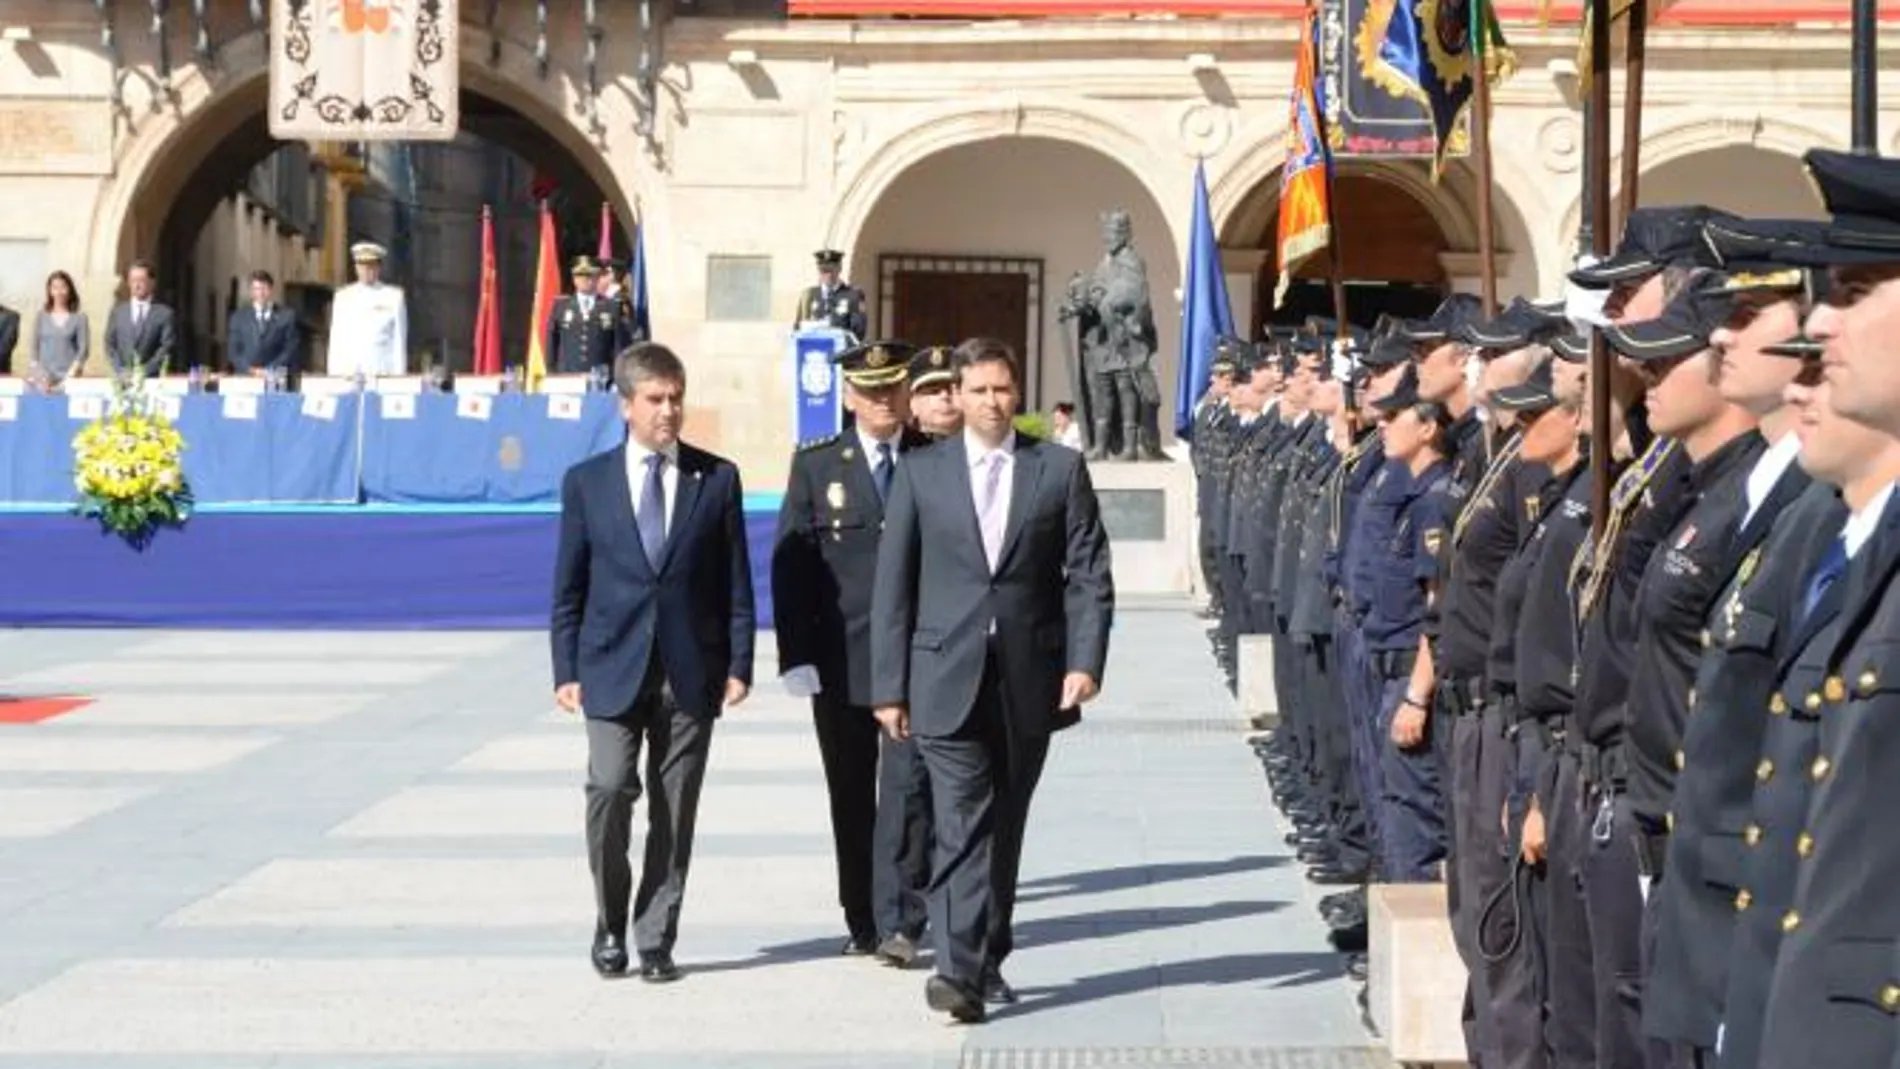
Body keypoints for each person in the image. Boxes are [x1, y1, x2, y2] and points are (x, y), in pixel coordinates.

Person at [870, 337, 1114, 1023]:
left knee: (1003, 825)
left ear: (1018, 392)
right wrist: (888, 687)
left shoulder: (1058, 469)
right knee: (960, 823)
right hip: (942, 673)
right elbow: (894, 587)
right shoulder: (923, 473)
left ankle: (989, 952)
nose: (990, 401)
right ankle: (957, 969)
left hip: (1027, 679)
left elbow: (1088, 572)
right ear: (958, 394)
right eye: (977, 390)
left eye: (1002, 389)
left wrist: (1084, 662)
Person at [550, 342, 756, 985]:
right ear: (626, 405)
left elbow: (736, 583)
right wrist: (566, 668)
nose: (669, 411)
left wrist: (740, 661)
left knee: (675, 807)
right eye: (656, 400)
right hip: (611, 668)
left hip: (691, 672)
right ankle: (610, 920)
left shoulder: (716, 479)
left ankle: (655, 935)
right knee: (610, 790)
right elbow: (569, 587)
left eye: (676, 398)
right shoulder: (587, 483)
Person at [771, 339, 932, 963]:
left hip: (915, 659)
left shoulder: (930, 458)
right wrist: (797, 656)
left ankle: (900, 917)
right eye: (869, 391)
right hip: (841, 659)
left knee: (907, 793)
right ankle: (860, 914)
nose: (883, 401)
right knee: (850, 791)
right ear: (847, 397)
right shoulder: (817, 465)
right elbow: (794, 568)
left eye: (893, 388)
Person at [327, 241, 408, 378]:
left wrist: (399, 375)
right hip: (349, 373)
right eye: (362, 266)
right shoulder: (343, 296)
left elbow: (399, 340)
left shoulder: (393, 296)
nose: (367, 270)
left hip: (382, 372)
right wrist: (333, 373)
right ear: (356, 268)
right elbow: (336, 339)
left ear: (378, 268)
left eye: (371, 266)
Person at [547, 256, 631, 376]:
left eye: (589, 275)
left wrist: (617, 375)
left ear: (597, 277)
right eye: (580, 275)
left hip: (601, 377)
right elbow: (552, 342)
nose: (584, 279)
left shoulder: (611, 307)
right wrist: (551, 371)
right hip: (567, 376)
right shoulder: (561, 306)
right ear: (574, 279)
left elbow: (618, 345)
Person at [103, 259, 176, 377]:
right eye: (133, 280)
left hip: (151, 380)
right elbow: (109, 344)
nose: (136, 285)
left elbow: (166, 348)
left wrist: (144, 371)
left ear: (152, 282)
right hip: (122, 379)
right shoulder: (118, 312)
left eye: (141, 281)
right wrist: (120, 370)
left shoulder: (164, 314)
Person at [226, 270, 300, 383]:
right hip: (246, 378)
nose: (260, 293)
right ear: (251, 291)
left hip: (275, 379)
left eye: (264, 288)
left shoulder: (286, 316)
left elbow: (290, 348)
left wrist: (270, 369)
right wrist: (250, 370)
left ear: (271, 290)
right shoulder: (238, 318)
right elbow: (233, 351)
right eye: (256, 289)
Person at [31, 270, 87, 390]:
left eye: (63, 287)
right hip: (43, 381)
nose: (59, 292)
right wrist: (40, 377)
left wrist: (70, 376)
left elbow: (83, 350)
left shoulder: (79, 318)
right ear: (50, 291)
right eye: (55, 288)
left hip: (69, 381)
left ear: (70, 290)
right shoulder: (41, 316)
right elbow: (34, 348)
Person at [794, 249, 868, 340]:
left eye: (831, 271)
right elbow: (798, 328)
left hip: (842, 351)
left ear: (839, 269)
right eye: (823, 271)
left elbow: (858, 331)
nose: (828, 275)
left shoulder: (853, 295)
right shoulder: (809, 295)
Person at [907, 345, 962, 438]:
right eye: (934, 391)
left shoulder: (988, 449)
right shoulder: (896, 450)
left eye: (952, 390)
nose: (945, 396)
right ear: (913, 404)